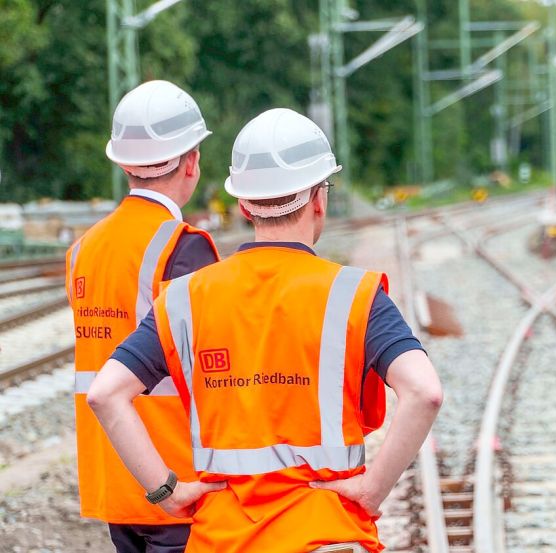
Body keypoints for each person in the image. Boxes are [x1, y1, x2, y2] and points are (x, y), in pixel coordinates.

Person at [87, 108, 443, 553]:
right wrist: (372, 490)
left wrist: (167, 492)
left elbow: (105, 394)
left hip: (222, 539)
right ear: (319, 199)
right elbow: (424, 392)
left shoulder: (183, 298)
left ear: (243, 205)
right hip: (324, 534)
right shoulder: (356, 295)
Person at [66, 80, 220, 552]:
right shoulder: (183, 247)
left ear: (123, 164)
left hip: (114, 477)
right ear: (191, 162)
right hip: (176, 480)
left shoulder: (83, 248)